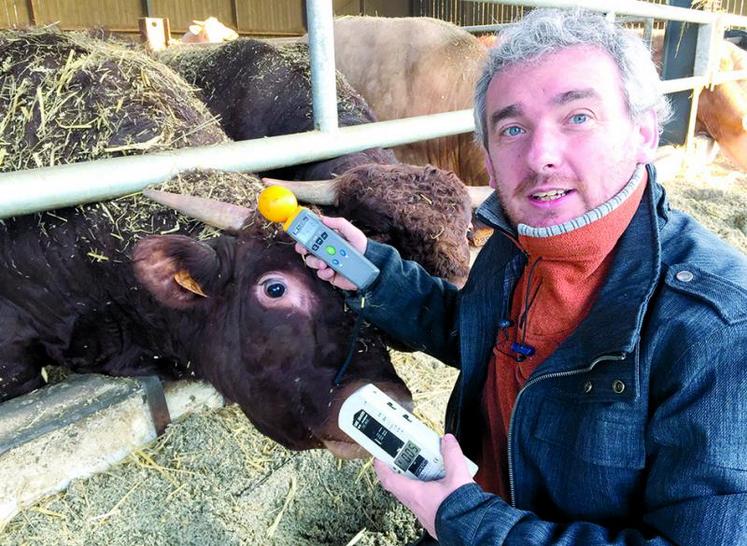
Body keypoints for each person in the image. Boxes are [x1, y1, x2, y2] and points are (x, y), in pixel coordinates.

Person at [297, 8, 747, 545]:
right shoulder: (515, 244)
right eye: (512, 128)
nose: (539, 156)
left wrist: (466, 519)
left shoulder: (720, 329)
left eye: (578, 117)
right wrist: (373, 276)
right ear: (485, 155)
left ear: (645, 132)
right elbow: (475, 333)